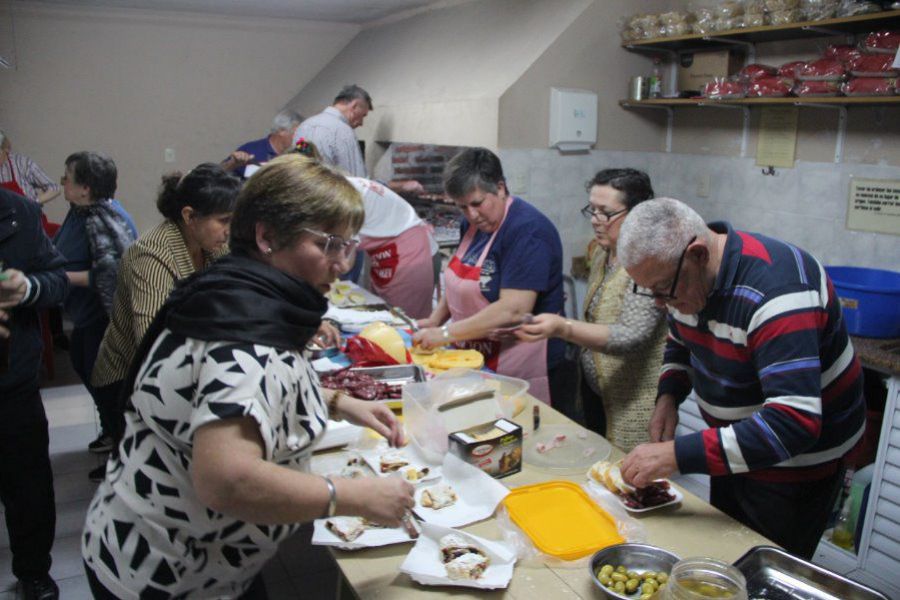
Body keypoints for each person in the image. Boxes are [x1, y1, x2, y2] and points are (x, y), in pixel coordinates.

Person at [81, 154, 414, 598]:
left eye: (349, 245)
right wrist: (354, 497)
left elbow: (234, 388)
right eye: (328, 244)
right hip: (167, 573)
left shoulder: (236, 293)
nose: (342, 264)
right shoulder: (245, 336)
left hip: (183, 547)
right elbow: (227, 479)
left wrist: (339, 401)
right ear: (266, 236)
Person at [616, 197, 866, 559]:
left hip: (798, 467)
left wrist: (679, 455)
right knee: (728, 554)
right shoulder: (685, 285)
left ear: (698, 255)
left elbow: (793, 423)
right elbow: (680, 339)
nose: (660, 303)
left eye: (662, 291)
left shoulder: (778, 291)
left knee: (763, 566)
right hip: (738, 449)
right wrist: (669, 394)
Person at [88, 164, 240, 478]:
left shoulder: (211, 245)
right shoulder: (152, 256)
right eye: (223, 221)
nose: (229, 230)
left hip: (178, 368)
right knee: (148, 470)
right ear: (188, 216)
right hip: (128, 378)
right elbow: (154, 342)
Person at [515, 169, 667, 451]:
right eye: (592, 210)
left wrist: (563, 328)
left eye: (606, 213)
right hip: (595, 392)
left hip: (632, 401)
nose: (596, 221)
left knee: (629, 480)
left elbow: (630, 336)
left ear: (637, 214)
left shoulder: (646, 262)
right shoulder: (602, 252)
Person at [413, 147, 564, 406]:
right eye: (462, 207)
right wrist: (436, 320)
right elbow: (458, 283)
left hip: (521, 359)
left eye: (477, 203)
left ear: (501, 188)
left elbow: (513, 310)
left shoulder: (527, 231)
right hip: (474, 352)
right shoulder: (472, 224)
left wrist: (447, 334)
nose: (472, 215)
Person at [0, 187, 68, 600]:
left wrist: (28, 288)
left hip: (12, 382)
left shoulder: (19, 213)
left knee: (28, 488)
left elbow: (58, 281)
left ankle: (34, 571)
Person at [292, 139, 437, 318]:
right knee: (382, 314)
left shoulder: (338, 197)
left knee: (402, 322)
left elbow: (344, 261)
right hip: (385, 251)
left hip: (409, 252)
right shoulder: (334, 186)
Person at [53, 152, 136, 456]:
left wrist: (61, 278)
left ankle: (121, 446)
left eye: (67, 177)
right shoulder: (79, 212)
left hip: (104, 316)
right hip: (87, 314)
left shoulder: (103, 219)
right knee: (83, 364)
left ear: (85, 188)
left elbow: (112, 275)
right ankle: (111, 431)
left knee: (104, 381)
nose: (62, 182)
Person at [293, 84, 371, 177]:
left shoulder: (304, 126)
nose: (361, 123)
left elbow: (297, 162)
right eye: (363, 115)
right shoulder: (343, 132)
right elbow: (356, 180)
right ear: (355, 105)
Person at [223, 109, 304, 178]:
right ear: (281, 131)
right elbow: (218, 174)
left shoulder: (302, 149)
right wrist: (233, 163)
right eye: (298, 133)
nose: (301, 138)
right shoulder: (252, 149)